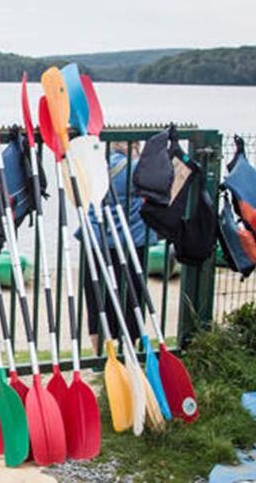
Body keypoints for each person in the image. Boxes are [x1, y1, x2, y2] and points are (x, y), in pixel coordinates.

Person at [81, 140, 155, 353]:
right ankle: (128, 348)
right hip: (132, 240)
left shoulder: (97, 165)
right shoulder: (138, 168)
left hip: (97, 238)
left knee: (97, 299)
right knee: (132, 297)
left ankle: (99, 354)